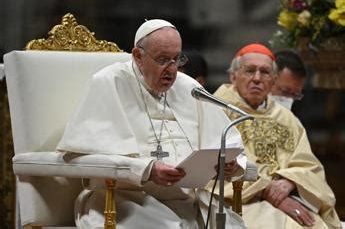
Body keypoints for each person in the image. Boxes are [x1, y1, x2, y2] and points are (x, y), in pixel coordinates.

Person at [56, 19, 246, 228]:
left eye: (177, 59)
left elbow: (230, 144)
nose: (172, 69)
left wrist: (231, 165)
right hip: (125, 202)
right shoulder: (109, 83)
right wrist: (145, 169)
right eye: (163, 59)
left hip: (189, 203)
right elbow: (79, 156)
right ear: (138, 56)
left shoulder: (188, 87)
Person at [209, 43, 341, 228]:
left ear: (273, 80)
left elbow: (309, 166)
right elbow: (215, 166)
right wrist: (267, 190)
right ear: (233, 76)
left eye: (265, 72)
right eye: (249, 71)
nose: (257, 78)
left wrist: (290, 181)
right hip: (240, 201)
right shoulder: (215, 110)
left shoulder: (286, 118)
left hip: (290, 198)